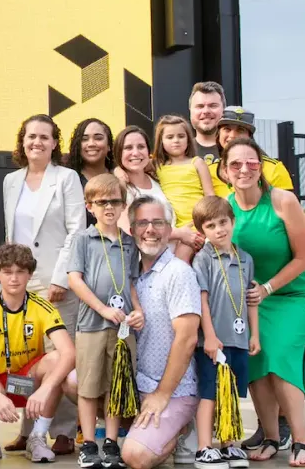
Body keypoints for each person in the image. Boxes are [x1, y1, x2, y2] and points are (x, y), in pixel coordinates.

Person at [220, 138, 305, 467]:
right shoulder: (224, 207)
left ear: (261, 167)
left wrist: (267, 287)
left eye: (252, 162)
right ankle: (270, 437)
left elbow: (304, 258)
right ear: (225, 170)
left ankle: (302, 441)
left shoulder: (282, 201)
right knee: (256, 360)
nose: (244, 169)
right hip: (252, 300)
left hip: (294, 293)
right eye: (236, 164)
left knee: (278, 354)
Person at [1, 114, 86, 457]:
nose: (36, 142)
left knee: (60, 358)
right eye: (30, 136)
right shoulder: (10, 180)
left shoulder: (66, 179)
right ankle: (28, 428)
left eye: (44, 137)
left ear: (55, 143)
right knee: (24, 358)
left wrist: (61, 277)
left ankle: (63, 432)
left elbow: (76, 229)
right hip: (19, 283)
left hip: (56, 282)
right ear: (22, 142)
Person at [0, 243, 75, 462]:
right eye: (7, 272)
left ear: (29, 274)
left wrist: (46, 389)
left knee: (56, 359)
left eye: (20, 272)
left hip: (25, 379)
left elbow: (69, 353)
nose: (14, 278)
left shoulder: (42, 306)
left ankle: (37, 436)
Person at [66, 174, 144, 469]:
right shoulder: (83, 239)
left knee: (116, 386)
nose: (109, 207)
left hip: (122, 329)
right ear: (90, 206)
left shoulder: (129, 243)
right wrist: (101, 308)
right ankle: (88, 444)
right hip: (92, 325)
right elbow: (75, 279)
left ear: (124, 205)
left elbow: (133, 283)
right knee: (87, 387)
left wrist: (138, 311)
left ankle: (111, 444)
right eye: (102, 202)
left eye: (115, 201)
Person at [121, 196, 202, 469]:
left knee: (135, 456)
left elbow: (188, 338)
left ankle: (181, 429)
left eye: (158, 223)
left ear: (169, 230)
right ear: (132, 231)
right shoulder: (126, 273)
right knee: (75, 381)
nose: (150, 230)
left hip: (172, 389)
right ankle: (139, 428)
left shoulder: (178, 273)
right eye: (142, 223)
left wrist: (162, 394)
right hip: (136, 385)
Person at [190, 196, 259, 468]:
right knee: (209, 393)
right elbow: (202, 299)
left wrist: (254, 334)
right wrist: (208, 335)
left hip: (238, 338)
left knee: (230, 393)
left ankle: (228, 444)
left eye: (223, 222)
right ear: (202, 231)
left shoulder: (245, 259)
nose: (219, 229)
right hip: (212, 341)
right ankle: (204, 447)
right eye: (210, 225)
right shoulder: (203, 258)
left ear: (233, 221)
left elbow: (251, 298)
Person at [151, 115, 214, 260]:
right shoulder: (157, 165)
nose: (176, 140)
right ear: (161, 141)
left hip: (196, 224)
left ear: (188, 139)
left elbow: (210, 196)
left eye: (181, 136)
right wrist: (118, 171)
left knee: (181, 260)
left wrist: (207, 225)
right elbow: (133, 167)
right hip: (174, 227)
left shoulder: (197, 163)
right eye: (170, 137)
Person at [208, 107, 293, 198]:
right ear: (218, 134)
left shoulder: (274, 169)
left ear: (249, 136)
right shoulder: (208, 171)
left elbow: (288, 208)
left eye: (240, 130)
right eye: (227, 129)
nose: (232, 135)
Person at [65, 118, 115, 230]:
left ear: (109, 146)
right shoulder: (68, 180)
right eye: (84, 139)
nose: (91, 143)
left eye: (98, 138)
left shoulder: (121, 178)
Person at [188, 81, 226, 164]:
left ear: (224, 110)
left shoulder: (245, 151)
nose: (206, 111)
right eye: (200, 106)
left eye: (213, 106)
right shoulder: (177, 151)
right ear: (190, 111)